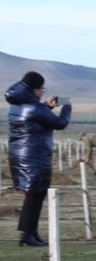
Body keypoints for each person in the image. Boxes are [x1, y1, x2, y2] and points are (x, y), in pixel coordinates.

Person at [6, 71, 71, 247]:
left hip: (22, 155)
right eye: (41, 89)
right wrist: (67, 109)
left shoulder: (18, 104)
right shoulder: (33, 107)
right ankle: (27, 234)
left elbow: (36, 118)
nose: (43, 92)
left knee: (34, 194)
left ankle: (31, 232)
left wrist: (47, 107)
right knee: (34, 195)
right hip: (33, 156)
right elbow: (59, 124)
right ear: (34, 89)